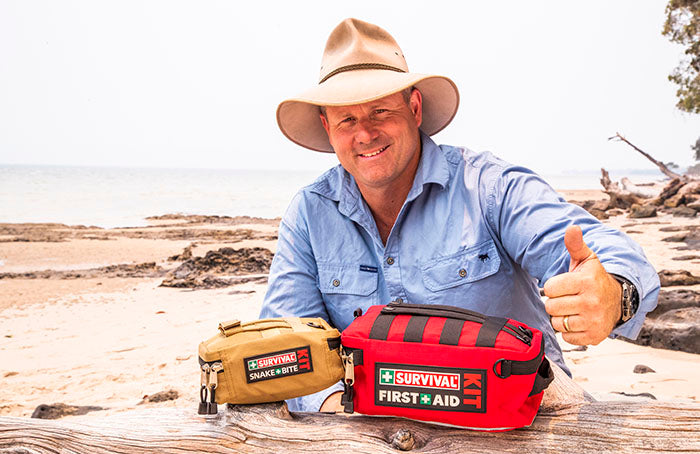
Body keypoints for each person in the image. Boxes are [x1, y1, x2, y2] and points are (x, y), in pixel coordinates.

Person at [260, 18, 660, 412]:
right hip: (366, 437)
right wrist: (345, 409)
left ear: (413, 108)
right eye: (347, 118)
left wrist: (614, 294)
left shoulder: (488, 186)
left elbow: (598, 250)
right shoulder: (310, 213)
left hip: (521, 430)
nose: (365, 133)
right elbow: (284, 345)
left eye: (380, 111)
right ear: (326, 128)